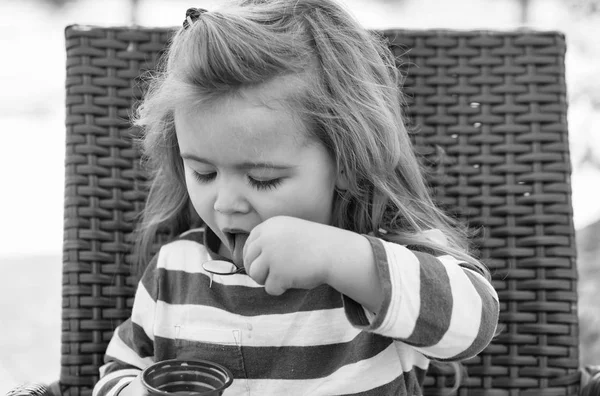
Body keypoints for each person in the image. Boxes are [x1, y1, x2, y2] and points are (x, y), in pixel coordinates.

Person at [93, 1, 499, 395]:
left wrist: (339, 257)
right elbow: (120, 369)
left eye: (262, 178)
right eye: (204, 173)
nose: (225, 203)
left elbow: (473, 324)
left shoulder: (387, 258)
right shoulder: (175, 270)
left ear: (345, 161)